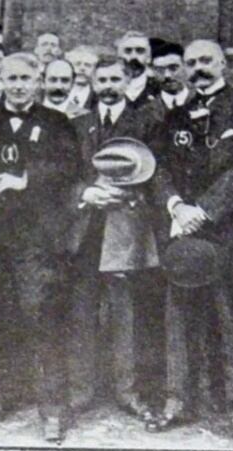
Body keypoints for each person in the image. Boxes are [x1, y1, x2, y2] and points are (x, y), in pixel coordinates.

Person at [0, 52, 80, 443]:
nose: (19, 85)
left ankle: (52, 408)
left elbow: (72, 167)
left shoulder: (56, 122)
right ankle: (7, 393)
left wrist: (27, 180)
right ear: (1, 80)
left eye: (26, 77)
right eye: (12, 78)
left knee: (41, 318)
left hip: (37, 240)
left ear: (38, 80)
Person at [152, 40, 233, 447]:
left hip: (231, 230)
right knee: (179, 318)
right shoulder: (176, 116)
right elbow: (158, 166)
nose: (198, 68)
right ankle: (178, 402)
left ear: (222, 63)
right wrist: (176, 205)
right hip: (184, 230)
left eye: (206, 61)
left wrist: (203, 210)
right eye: (191, 63)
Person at [65, 57, 163, 422]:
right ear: (91, 80)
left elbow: (157, 172)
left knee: (127, 315)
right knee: (82, 312)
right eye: (101, 79)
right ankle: (81, 392)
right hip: (87, 228)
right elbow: (66, 173)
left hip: (129, 227)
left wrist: (128, 197)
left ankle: (129, 392)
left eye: (114, 79)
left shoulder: (147, 122)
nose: (107, 85)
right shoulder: (78, 124)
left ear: (128, 80)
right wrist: (87, 192)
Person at [115, 31, 159, 109]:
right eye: (128, 51)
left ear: (148, 57)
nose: (133, 56)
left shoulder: (158, 88)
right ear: (120, 56)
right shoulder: (109, 85)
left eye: (140, 51)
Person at [152, 41, 190, 111]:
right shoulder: (145, 111)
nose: (167, 75)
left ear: (186, 67)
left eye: (173, 68)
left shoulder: (203, 102)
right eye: (160, 70)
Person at [65, 45, 98, 110]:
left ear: (94, 70)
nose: (82, 68)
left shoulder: (98, 99)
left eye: (87, 65)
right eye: (77, 64)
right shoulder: (59, 92)